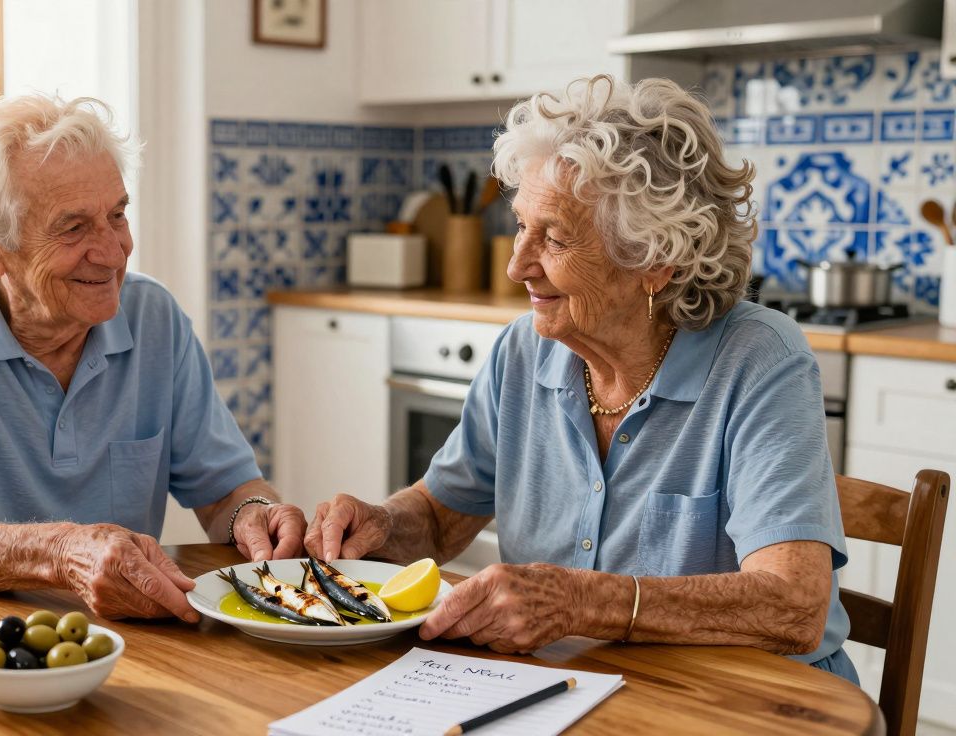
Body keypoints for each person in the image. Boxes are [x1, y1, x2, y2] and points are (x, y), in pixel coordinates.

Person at [305, 75, 856, 682]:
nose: (518, 265)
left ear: (655, 260)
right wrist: (383, 523)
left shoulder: (760, 360)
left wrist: (583, 601)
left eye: (556, 238)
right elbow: (440, 517)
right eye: (520, 226)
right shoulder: (523, 350)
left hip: (748, 702)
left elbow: (794, 606)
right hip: (578, 688)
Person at [0, 94, 304, 622]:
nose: (112, 252)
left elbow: (227, 490)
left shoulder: (153, 315)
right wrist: (63, 553)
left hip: (103, 643)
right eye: (73, 227)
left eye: (117, 215)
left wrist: (257, 514)